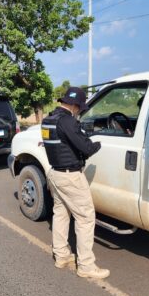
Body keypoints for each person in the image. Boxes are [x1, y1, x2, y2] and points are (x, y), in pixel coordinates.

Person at [41, 87, 109, 279]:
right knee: (85, 218)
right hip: (70, 176)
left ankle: (61, 256)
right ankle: (86, 266)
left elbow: (59, 143)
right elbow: (86, 148)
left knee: (61, 213)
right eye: (80, 107)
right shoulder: (67, 121)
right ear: (75, 106)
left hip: (55, 173)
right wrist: (98, 143)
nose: (80, 111)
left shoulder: (48, 120)